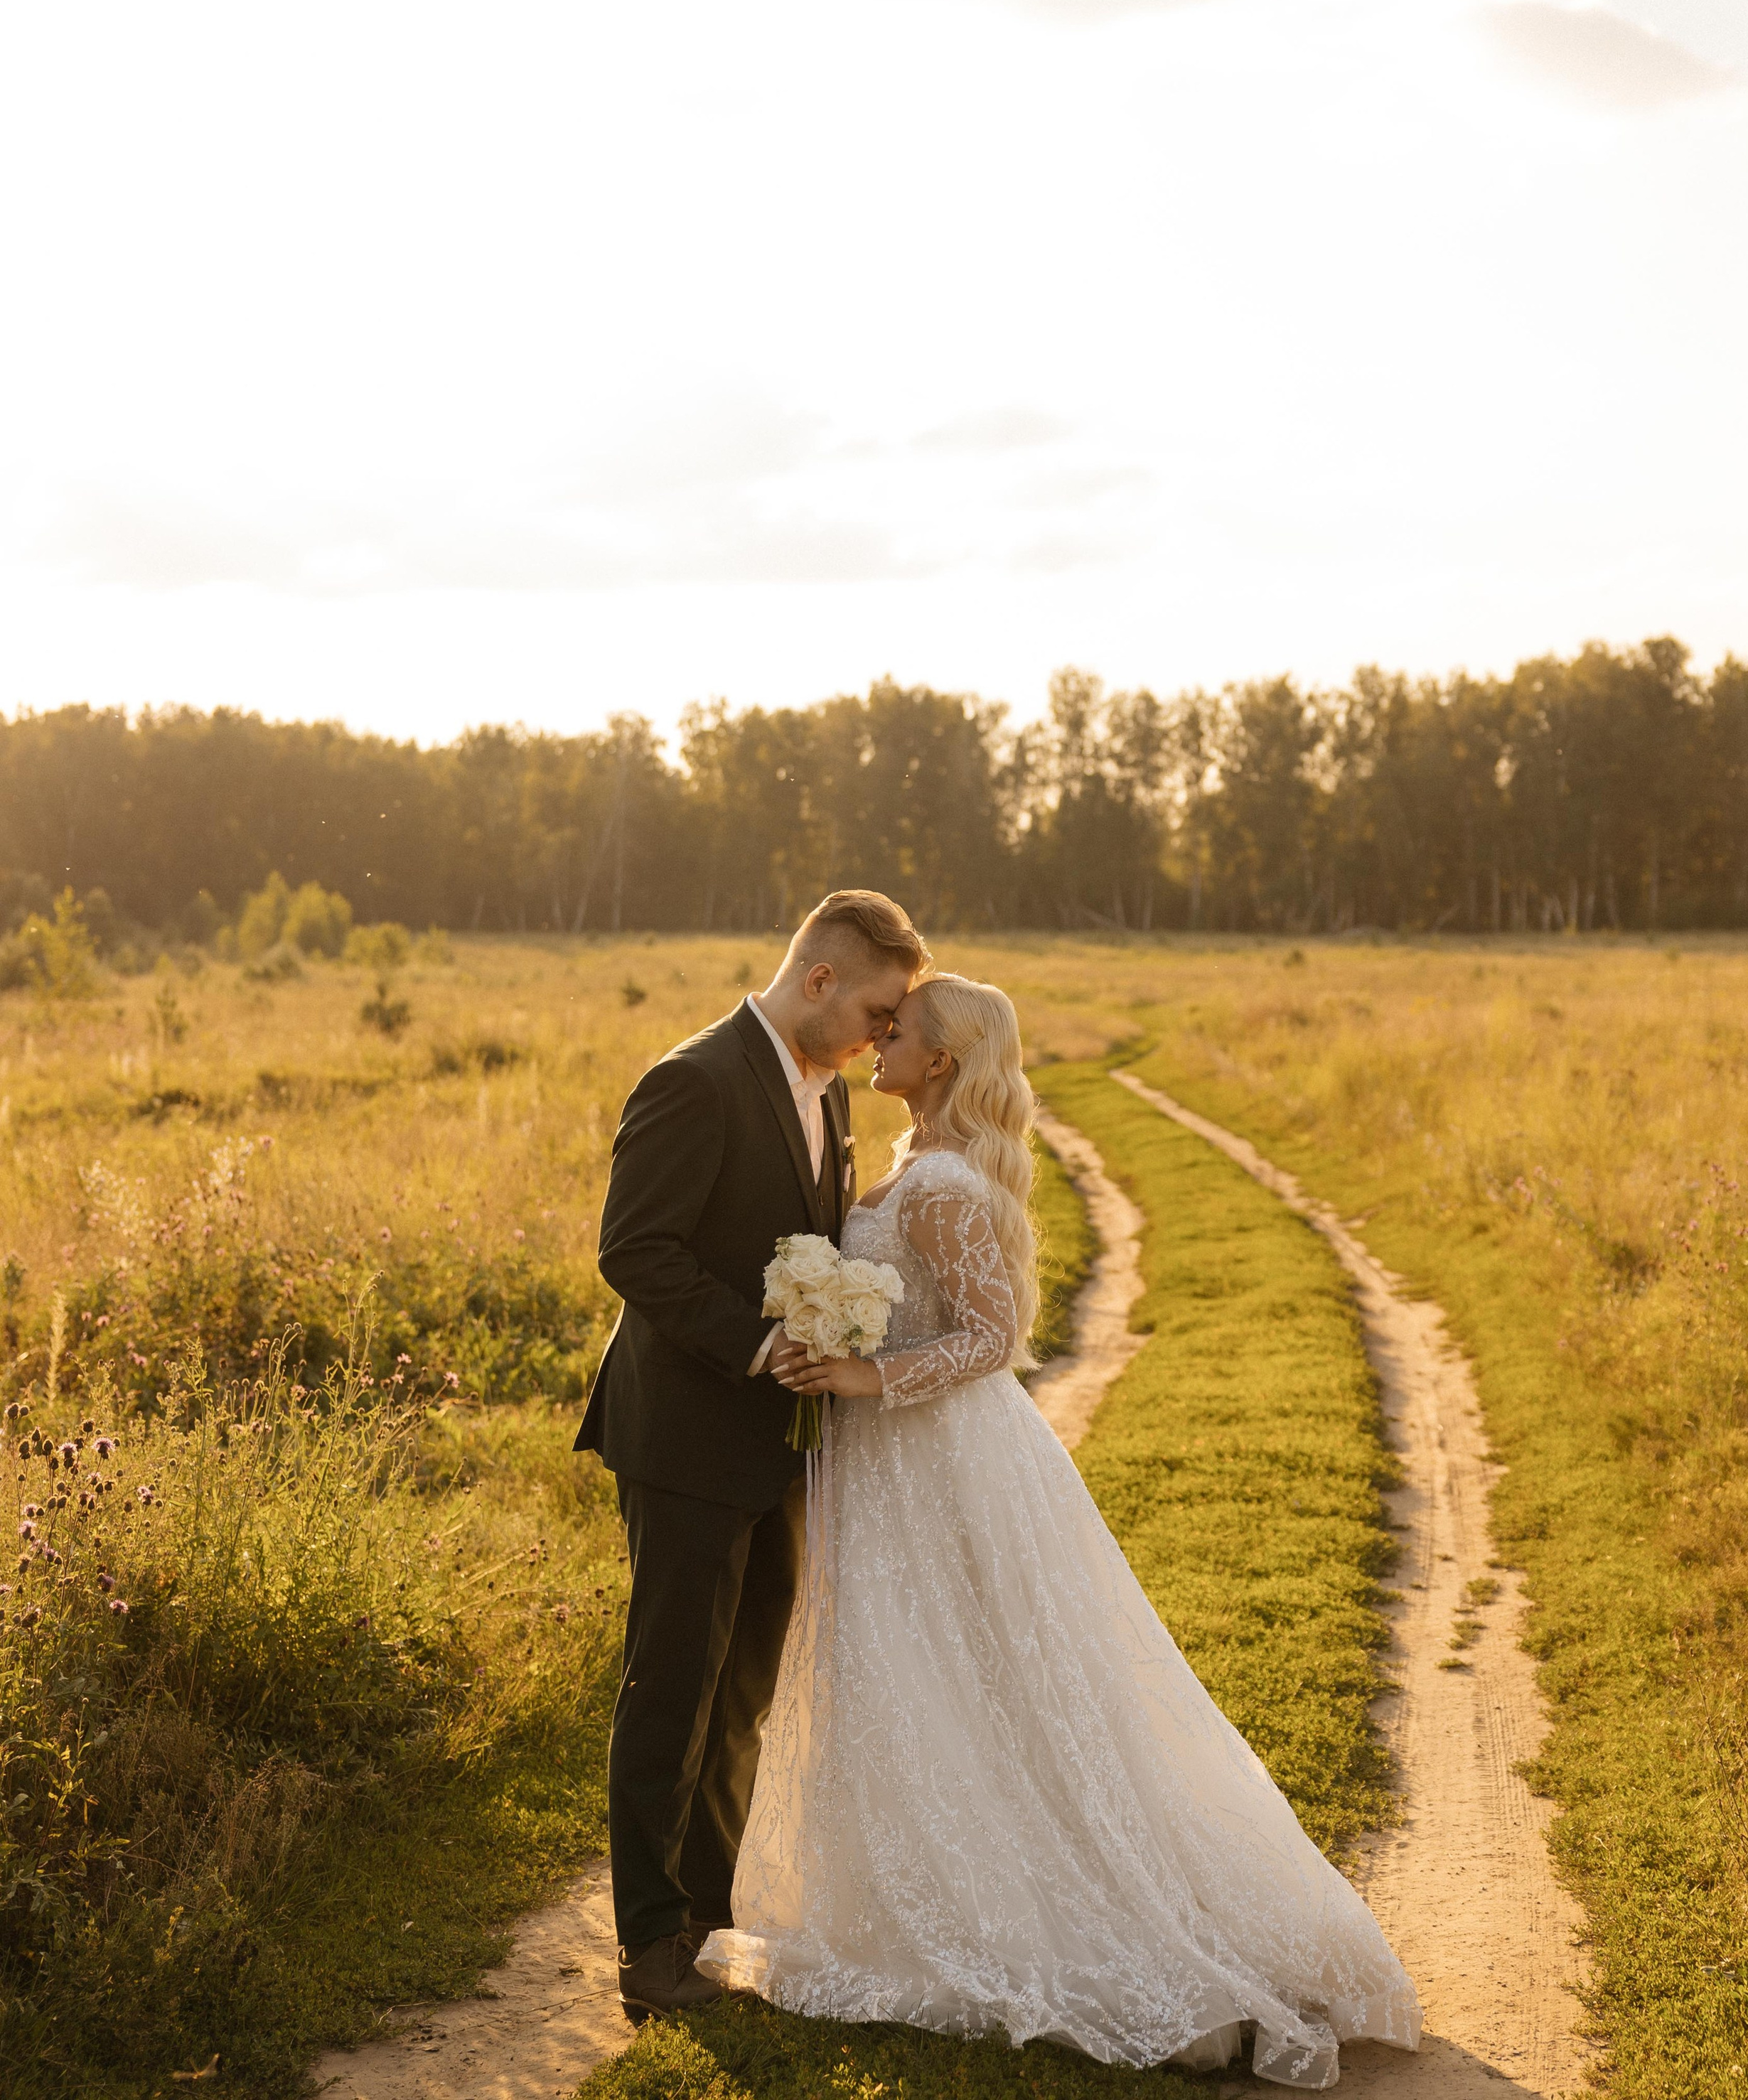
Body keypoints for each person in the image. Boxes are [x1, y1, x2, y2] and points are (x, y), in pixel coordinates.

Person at [699, 973, 1424, 2089]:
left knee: (983, 1671)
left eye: (899, 1030)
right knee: (916, 1670)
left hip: (938, 1454)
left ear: (940, 1061)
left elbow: (993, 1337)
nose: (878, 1039)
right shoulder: (906, 1161)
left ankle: (1078, 1923)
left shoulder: (940, 1183)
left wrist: (862, 1370)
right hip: (891, 1459)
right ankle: (911, 1891)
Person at [572, 889, 927, 2025]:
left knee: (744, 1691)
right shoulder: (697, 1078)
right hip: (684, 1431)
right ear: (819, 979)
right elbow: (635, 1249)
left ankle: (706, 1915)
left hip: (779, 1441)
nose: (885, 1033)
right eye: (878, 1007)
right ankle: (646, 1945)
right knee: (672, 1684)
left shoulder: (826, 1096)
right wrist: (760, 1342)